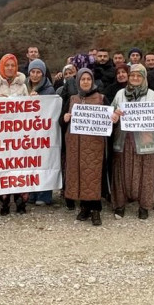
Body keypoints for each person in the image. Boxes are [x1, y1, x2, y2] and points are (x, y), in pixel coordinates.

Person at [61, 69, 109, 226]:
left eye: (89, 79)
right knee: (79, 176)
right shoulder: (72, 99)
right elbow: (61, 122)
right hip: (76, 146)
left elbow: (109, 124)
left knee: (92, 177)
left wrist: (113, 118)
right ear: (78, 82)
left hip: (94, 146)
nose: (86, 82)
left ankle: (96, 210)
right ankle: (84, 208)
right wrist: (65, 118)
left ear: (93, 81)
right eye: (83, 79)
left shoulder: (101, 99)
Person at [110, 64, 154, 219]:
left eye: (139, 76)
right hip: (123, 140)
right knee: (121, 173)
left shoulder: (151, 95)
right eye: (132, 76)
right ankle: (119, 205)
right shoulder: (120, 94)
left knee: (145, 173)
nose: (135, 78)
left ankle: (144, 206)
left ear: (144, 78)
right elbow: (110, 115)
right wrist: (114, 116)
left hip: (144, 141)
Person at [0, 54, 29, 214]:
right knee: (3, 168)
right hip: (1, 136)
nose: (10, 68)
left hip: (19, 134)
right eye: (7, 65)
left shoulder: (23, 86)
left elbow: (29, 109)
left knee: (19, 166)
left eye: (13, 65)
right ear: (1, 67)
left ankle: (20, 200)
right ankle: (4, 201)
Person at [25, 59, 56, 206]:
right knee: (30, 163)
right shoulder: (24, 87)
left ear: (43, 74)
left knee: (44, 163)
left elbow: (50, 111)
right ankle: (31, 193)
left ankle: (44, 195)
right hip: (27, 132)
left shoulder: (49, 90)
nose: (35, 75)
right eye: (33, 72)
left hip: (43, 133)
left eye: (38, 72)